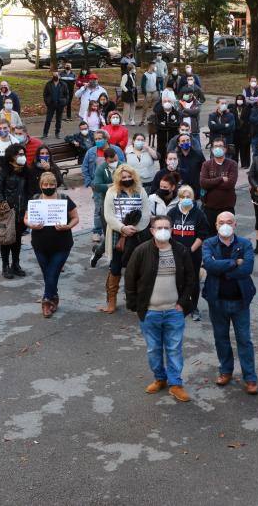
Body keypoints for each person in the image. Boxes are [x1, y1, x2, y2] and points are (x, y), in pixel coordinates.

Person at [125, 215, 195, 403]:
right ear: (152, 231)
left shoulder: (180, 250)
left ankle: (175, 384)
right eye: (159, 227)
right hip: (150, 312)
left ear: (172, 230)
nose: (163, 230)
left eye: (167, 227)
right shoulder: (141, 251)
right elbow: (130, 279)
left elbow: (191, 279)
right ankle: (160, 379)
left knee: (174, 349)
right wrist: (134, 305)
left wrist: (183, 304)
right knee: (153, 349)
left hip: (174, 311)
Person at [202, 211, 258, 394]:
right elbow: (209, 266)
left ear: (235, 225)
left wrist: (222, 269)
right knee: (221, 338)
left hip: (240, 301)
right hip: (217, 300)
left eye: (229, 222)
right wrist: (235, 263)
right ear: (216, 225)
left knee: (244, 340)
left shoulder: (244, 243)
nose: (225, 225)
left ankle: (250, 378)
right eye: (221, 222)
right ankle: (225, 371)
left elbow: (248, 268)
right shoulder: (208, 243)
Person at [24, 172, 79, 317]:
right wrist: (31, 225)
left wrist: (67, 226)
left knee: (52, 272)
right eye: (45, 184)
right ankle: (54, 296)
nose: (48, 187)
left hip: (62, 244)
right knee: (47, 273)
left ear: (56, 185)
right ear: (41, 186)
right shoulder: (35, 199)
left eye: (51, 184)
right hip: (40, 244)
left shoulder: (64, 199)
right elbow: (26, 218)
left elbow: (75, 218)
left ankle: (46, 301)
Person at [101, 164, 150, 314]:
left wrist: (135, 228)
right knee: (115, 268)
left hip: (137, 234)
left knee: (137, 269)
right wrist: (123, 228)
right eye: (124, 177)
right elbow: (108, 215)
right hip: (117, 234)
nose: (127, 179)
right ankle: (111, 301)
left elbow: (146, 213)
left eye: (129, 177)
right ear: (118, 178)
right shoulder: (111, 191)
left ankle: (136, 301)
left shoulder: (140, 191)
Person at [166, 184, 209, 322]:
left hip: (193, 253)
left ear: (193, 198)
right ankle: (177, 305)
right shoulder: (172, 213)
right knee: (175, 279)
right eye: (183, 197)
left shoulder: (199, 214)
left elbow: (202, 235)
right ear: (178, 198)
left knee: (193, 281)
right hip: (174, 253)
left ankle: (193, 307)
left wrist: (190, 250)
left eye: (188, 197)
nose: (185, 199)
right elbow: (167, 232)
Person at [0, 144, 29, 279]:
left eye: (23, 153)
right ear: (12, 156)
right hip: (7, 211)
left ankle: (16, 264)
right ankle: (5, 266)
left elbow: (29, 189)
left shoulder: (25, 170)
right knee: (6, 239)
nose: (22, 156)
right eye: (19, 154)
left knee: (17, 239)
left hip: (21, 210)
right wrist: (3, 205)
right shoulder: (3, 169)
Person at [83, 130, 125, 242]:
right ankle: (97, 231)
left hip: (117, 186)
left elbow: (124, 165)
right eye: (95, 139)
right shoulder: (91, 152)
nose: (98, 141)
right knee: (99, 209)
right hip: (99, 186)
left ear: (106, 138)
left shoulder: (117, 150)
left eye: (100, 138)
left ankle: (116, 229)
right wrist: (90, 183)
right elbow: (85, 168)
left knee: (117, 208)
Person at [200, 139, 238, 235]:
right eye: (215, 146)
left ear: (225, 149)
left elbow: (230, 183)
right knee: (210, 235)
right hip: (210, 208)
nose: (218, 148)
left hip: (227, 207)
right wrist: (220, 179)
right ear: (212, 149)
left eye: (220, 146)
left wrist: (211, 184)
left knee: (227, 234)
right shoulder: (206, 165)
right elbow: (203, 183)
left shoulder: (232, 164)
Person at [174, 132, 205, 200]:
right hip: (181, 191)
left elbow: (204, 171)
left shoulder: (198, 154)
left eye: (188, 140)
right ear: (179, 144)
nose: (186, 142)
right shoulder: (175, 156)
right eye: (183, 141)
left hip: (196, 190)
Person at [154, 97, 181, 167]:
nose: (167, 102)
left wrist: (165, 124)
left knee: (173, 156)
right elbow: (158, 125)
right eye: (165, 101)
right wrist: (171, 125)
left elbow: (177, 124)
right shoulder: (158, 113)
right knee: (162, 157)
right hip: (161, 141)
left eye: (169, 101)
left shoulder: (176, 113)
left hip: (173, 140)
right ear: (162, 103)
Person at [42, 71, 69, 139]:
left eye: (57, 75)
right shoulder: (48, 84)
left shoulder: (63, 84)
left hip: (60, 104)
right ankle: (45, 133)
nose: (55, 76)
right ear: (52, 76)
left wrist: (64, 102)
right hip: (51, 104)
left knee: (58, 120)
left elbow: (67, 95)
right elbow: (45, 94)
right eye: (54, 75)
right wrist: (47, 102)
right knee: (48, 119)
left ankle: (57, 133)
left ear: (59, 76)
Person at [229, 94, 252, 168]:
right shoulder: (232, 108)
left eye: (241, 99)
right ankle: (234, 164)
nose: (239, 101)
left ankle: (245, 164)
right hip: (235, 132)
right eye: (238, 99)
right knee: (235, 149)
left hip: (245, 131)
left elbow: (249, 119)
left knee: (245, 149)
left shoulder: (247, 108)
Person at [177, 87, 202, 152]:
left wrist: (185, 108)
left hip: (194, 131)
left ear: (191, 94)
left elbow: (196, 112)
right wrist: (190, 112)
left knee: (197, 150)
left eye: (186, 94)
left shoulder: (197, 102)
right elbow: (179, 113)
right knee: (182, 150)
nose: (184, 95)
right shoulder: (180, 102)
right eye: (184, 93)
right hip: (183, 132)